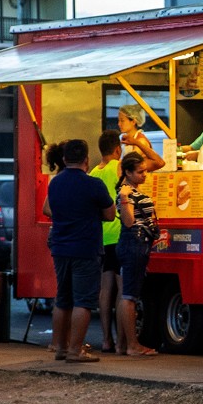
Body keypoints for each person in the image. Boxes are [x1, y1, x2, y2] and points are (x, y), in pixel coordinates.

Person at [42, 139, 115, 362]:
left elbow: (50, 210)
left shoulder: (55, 183)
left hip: (61, 248)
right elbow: (110, 215)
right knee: (83, 301)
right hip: (86, 247)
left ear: (64, 159)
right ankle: (76, 350)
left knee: (62, 299)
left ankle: (60, 347)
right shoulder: (94, 185)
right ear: (86, 159)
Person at [114, 151, 159, 357]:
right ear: (128, 173)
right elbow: (129, 221)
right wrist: (124, 198)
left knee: (128, 294)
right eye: (140, 172)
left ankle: (123, 344)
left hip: (134, 243)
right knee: (129, 296)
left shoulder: (130, 191)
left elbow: (158, 162)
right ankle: (132, 345)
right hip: (134, 243)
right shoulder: (126, 193)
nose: (144, 175)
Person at [91, 130, 123, 353]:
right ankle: (123, 340)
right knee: (123, 291)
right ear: (117, 150)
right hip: (119, 233)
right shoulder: (118, 167)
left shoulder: (93, 173)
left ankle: (106, 339)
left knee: (105, 290)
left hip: (101, 237)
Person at [116, 104, 166, 171]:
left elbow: (130, 162)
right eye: (118, 120)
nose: (119, 124)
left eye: (122, 120)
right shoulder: (126, 140)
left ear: (133, 121)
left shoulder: (141, 141)